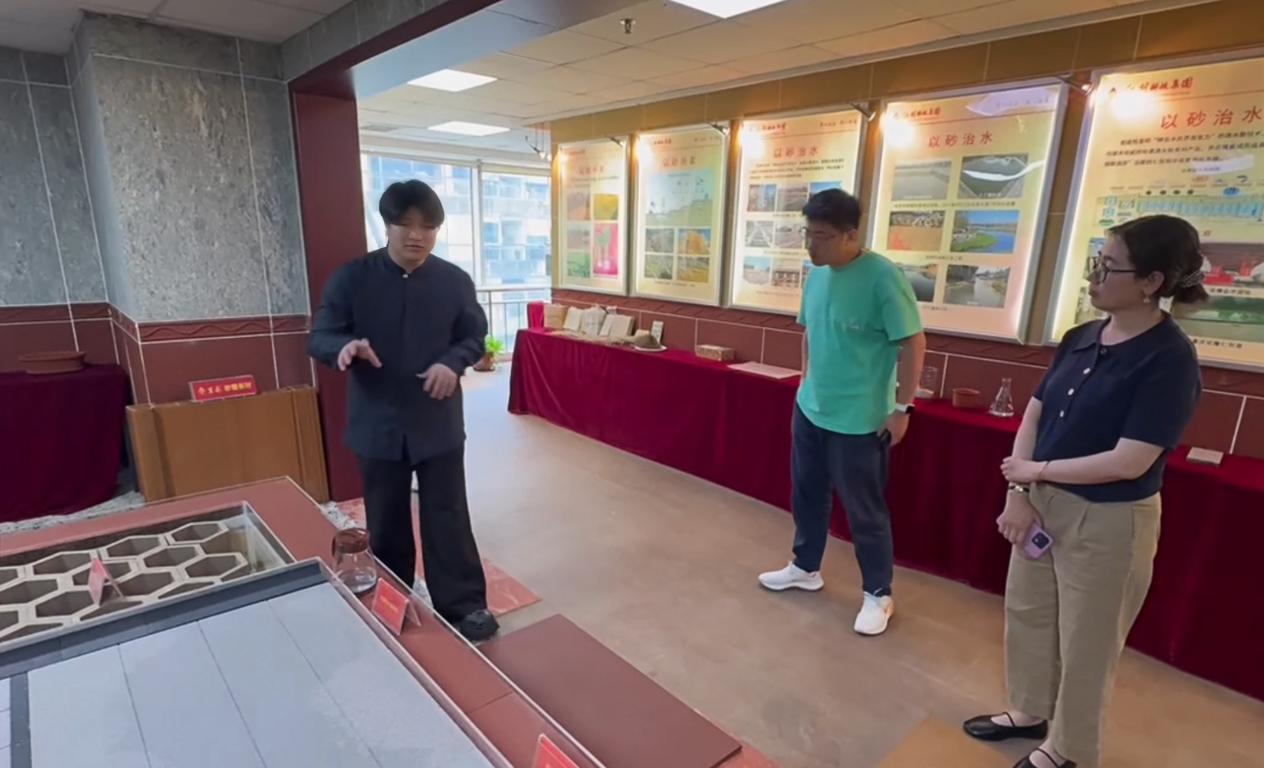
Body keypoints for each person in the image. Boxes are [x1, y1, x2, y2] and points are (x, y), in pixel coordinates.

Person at [963, 215, 1205, 768]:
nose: (1094, 276)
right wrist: (1020, 487)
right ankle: (1029, 711)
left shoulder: (1169, 358)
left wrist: (1036, 470)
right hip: (1042, 500)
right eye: (1096, 262)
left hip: (1109, 520)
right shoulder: (1081, 337)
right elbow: (1036, 412)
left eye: (1108, 267)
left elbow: (1130, 460)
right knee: (1029, 611)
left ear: (1151, 282)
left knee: (1087, 643)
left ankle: (1068, 750)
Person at [309, 180, 498, 642]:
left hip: (438, 421)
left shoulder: (454, 281)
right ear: (387, 225)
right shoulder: (352, 278)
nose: (417, 235)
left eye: (428, 226)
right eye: (406, 224)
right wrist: (344, 347)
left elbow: (473, 338)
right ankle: (391, 597)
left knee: (448, 513)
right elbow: (321, 335)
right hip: (378, 422)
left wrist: (453, 363)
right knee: (386, 516)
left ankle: (464, 604)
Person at [758, 189, 926, 636]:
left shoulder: (883, 278)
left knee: (864, 510)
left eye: (822, 237)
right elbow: (810, 331)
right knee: (807, 494)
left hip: (860, 419)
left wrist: (902, 407)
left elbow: (912, 342)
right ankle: (805, 567)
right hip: (811, 408)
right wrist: (804, 381)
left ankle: (878, 593)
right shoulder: (817, 276)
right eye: (807, 234)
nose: (811, 246)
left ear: (851, 235)